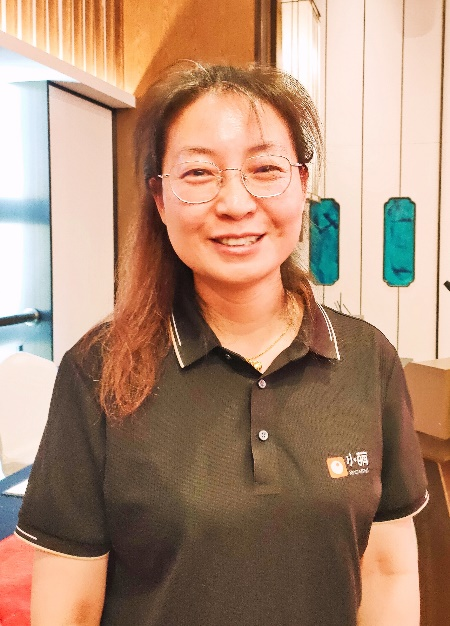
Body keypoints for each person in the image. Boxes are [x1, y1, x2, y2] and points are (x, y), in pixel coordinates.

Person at [16, 61, 428, 626]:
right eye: (199, 173)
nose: (235, 203)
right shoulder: (99, 370)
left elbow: (387, 570)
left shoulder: (366, 359)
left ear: (302, 185)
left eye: (265, 168)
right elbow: (70, 607)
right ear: (160, 198)